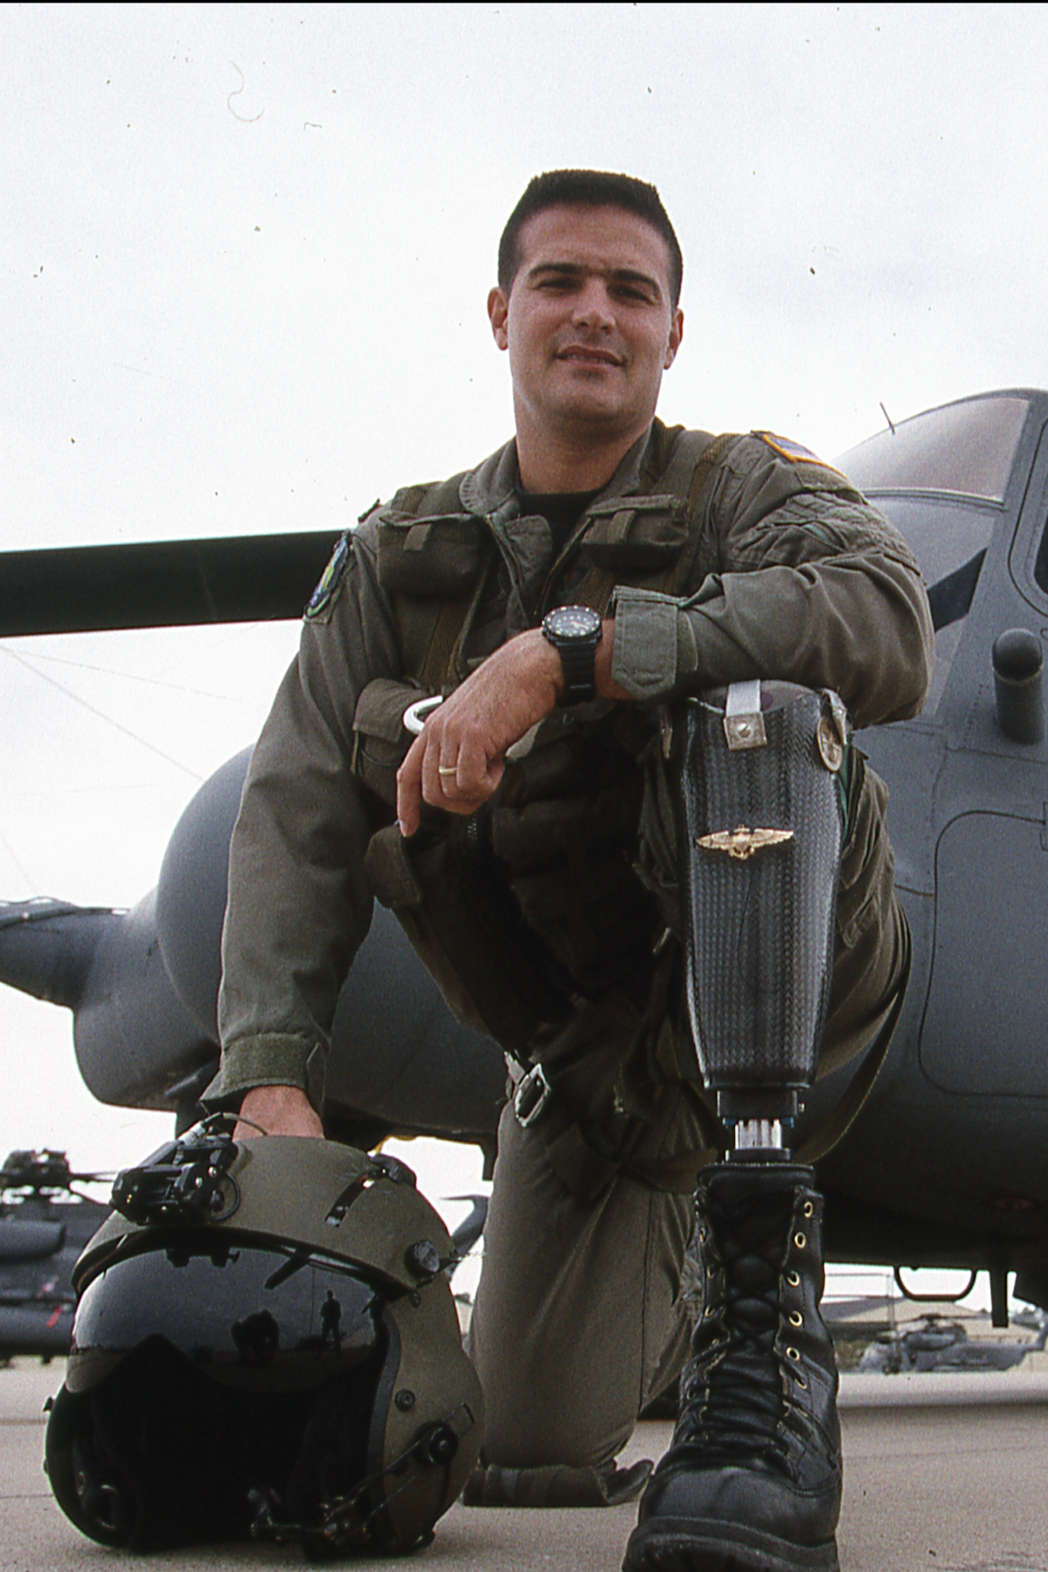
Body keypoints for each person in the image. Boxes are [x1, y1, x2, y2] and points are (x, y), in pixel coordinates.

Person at [211, 169, 933, 1569]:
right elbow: (296, 804)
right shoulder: (400, 559)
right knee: (529, 1446)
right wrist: (271, 1069)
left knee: (756, 712)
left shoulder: (747, 487)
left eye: (630, 291)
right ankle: (678, 1301)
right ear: (502, 313)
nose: (595, 314)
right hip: (596, 1058)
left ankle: (764, 1312)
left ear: (673, 332)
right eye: (561, 283)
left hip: (805, 989)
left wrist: (578, 650)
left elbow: (886, 620)